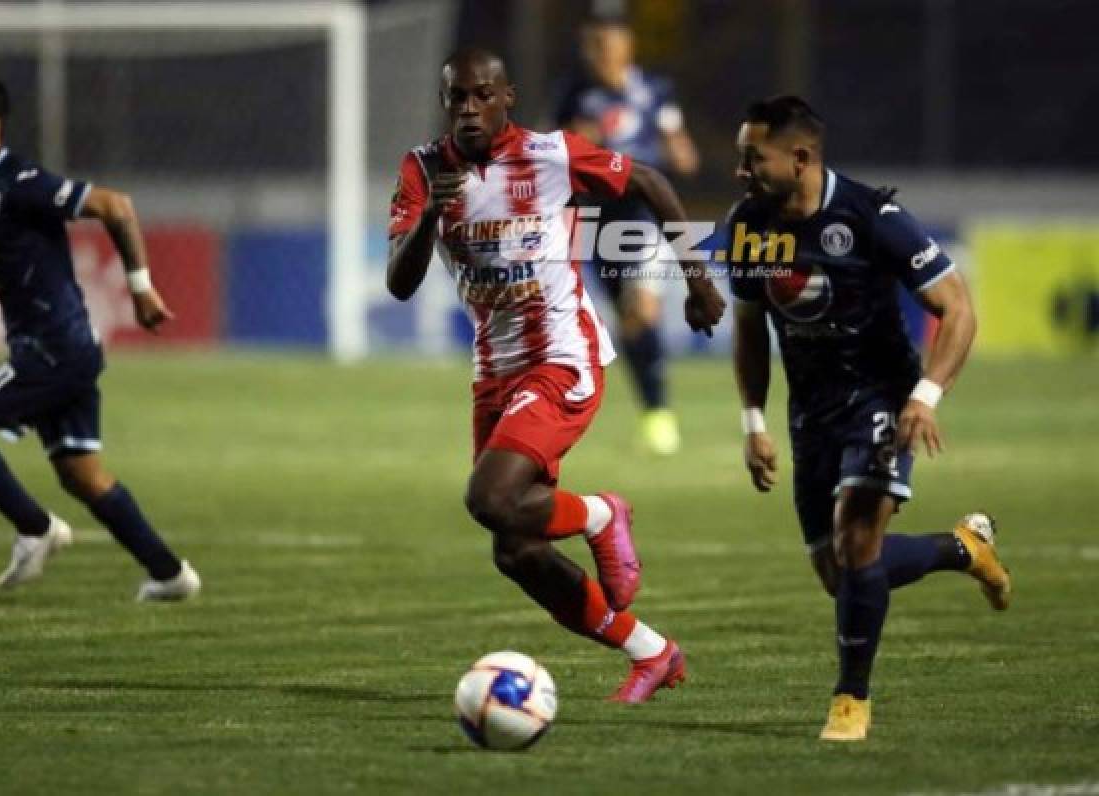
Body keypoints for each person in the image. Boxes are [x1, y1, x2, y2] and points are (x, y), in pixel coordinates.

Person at [387, 48, 725, 702]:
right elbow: (400, 284)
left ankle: (602, 514)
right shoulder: (423, 169)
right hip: (495, 373)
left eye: (482, 95)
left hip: (561, 357)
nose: (468, 109)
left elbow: (651, 182)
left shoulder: (551, 154)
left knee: (487, 498)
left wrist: (697, 280)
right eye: (456, 97)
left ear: (507, 97)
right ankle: (651, 651)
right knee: (515, 549)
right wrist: (430, 215)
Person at [726, 95, 1011, 740]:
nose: (740, 171)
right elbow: (748, 326)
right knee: (842, 574)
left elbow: (956, 306)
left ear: (799, 158)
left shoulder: (871, 217)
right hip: (810, 413)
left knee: (857, 541)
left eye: (752, 158)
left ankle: (850, 700)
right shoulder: (748, 223)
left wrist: (925, 395)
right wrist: (752, 421)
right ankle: (964, 548)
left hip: (882, 399)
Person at [0, 76, 200, 601]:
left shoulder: (20, 180)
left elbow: (117, 206)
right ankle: (169, 573)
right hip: (62, 350)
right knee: (83, 476)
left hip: (54, 349)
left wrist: (141, 290)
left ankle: (36, 529)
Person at [555, 14, 701, 455]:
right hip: (594, 218)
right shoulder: (575, 93)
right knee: (628, 321)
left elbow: (684, 154)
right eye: (592, 46)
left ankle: (660, 415)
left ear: (627, 47)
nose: (598, 55)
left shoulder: (654, 91)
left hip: (641, 213)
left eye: (606, 45)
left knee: (642, 308)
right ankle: (652, 410)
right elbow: (559, 148)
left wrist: (672, 150)